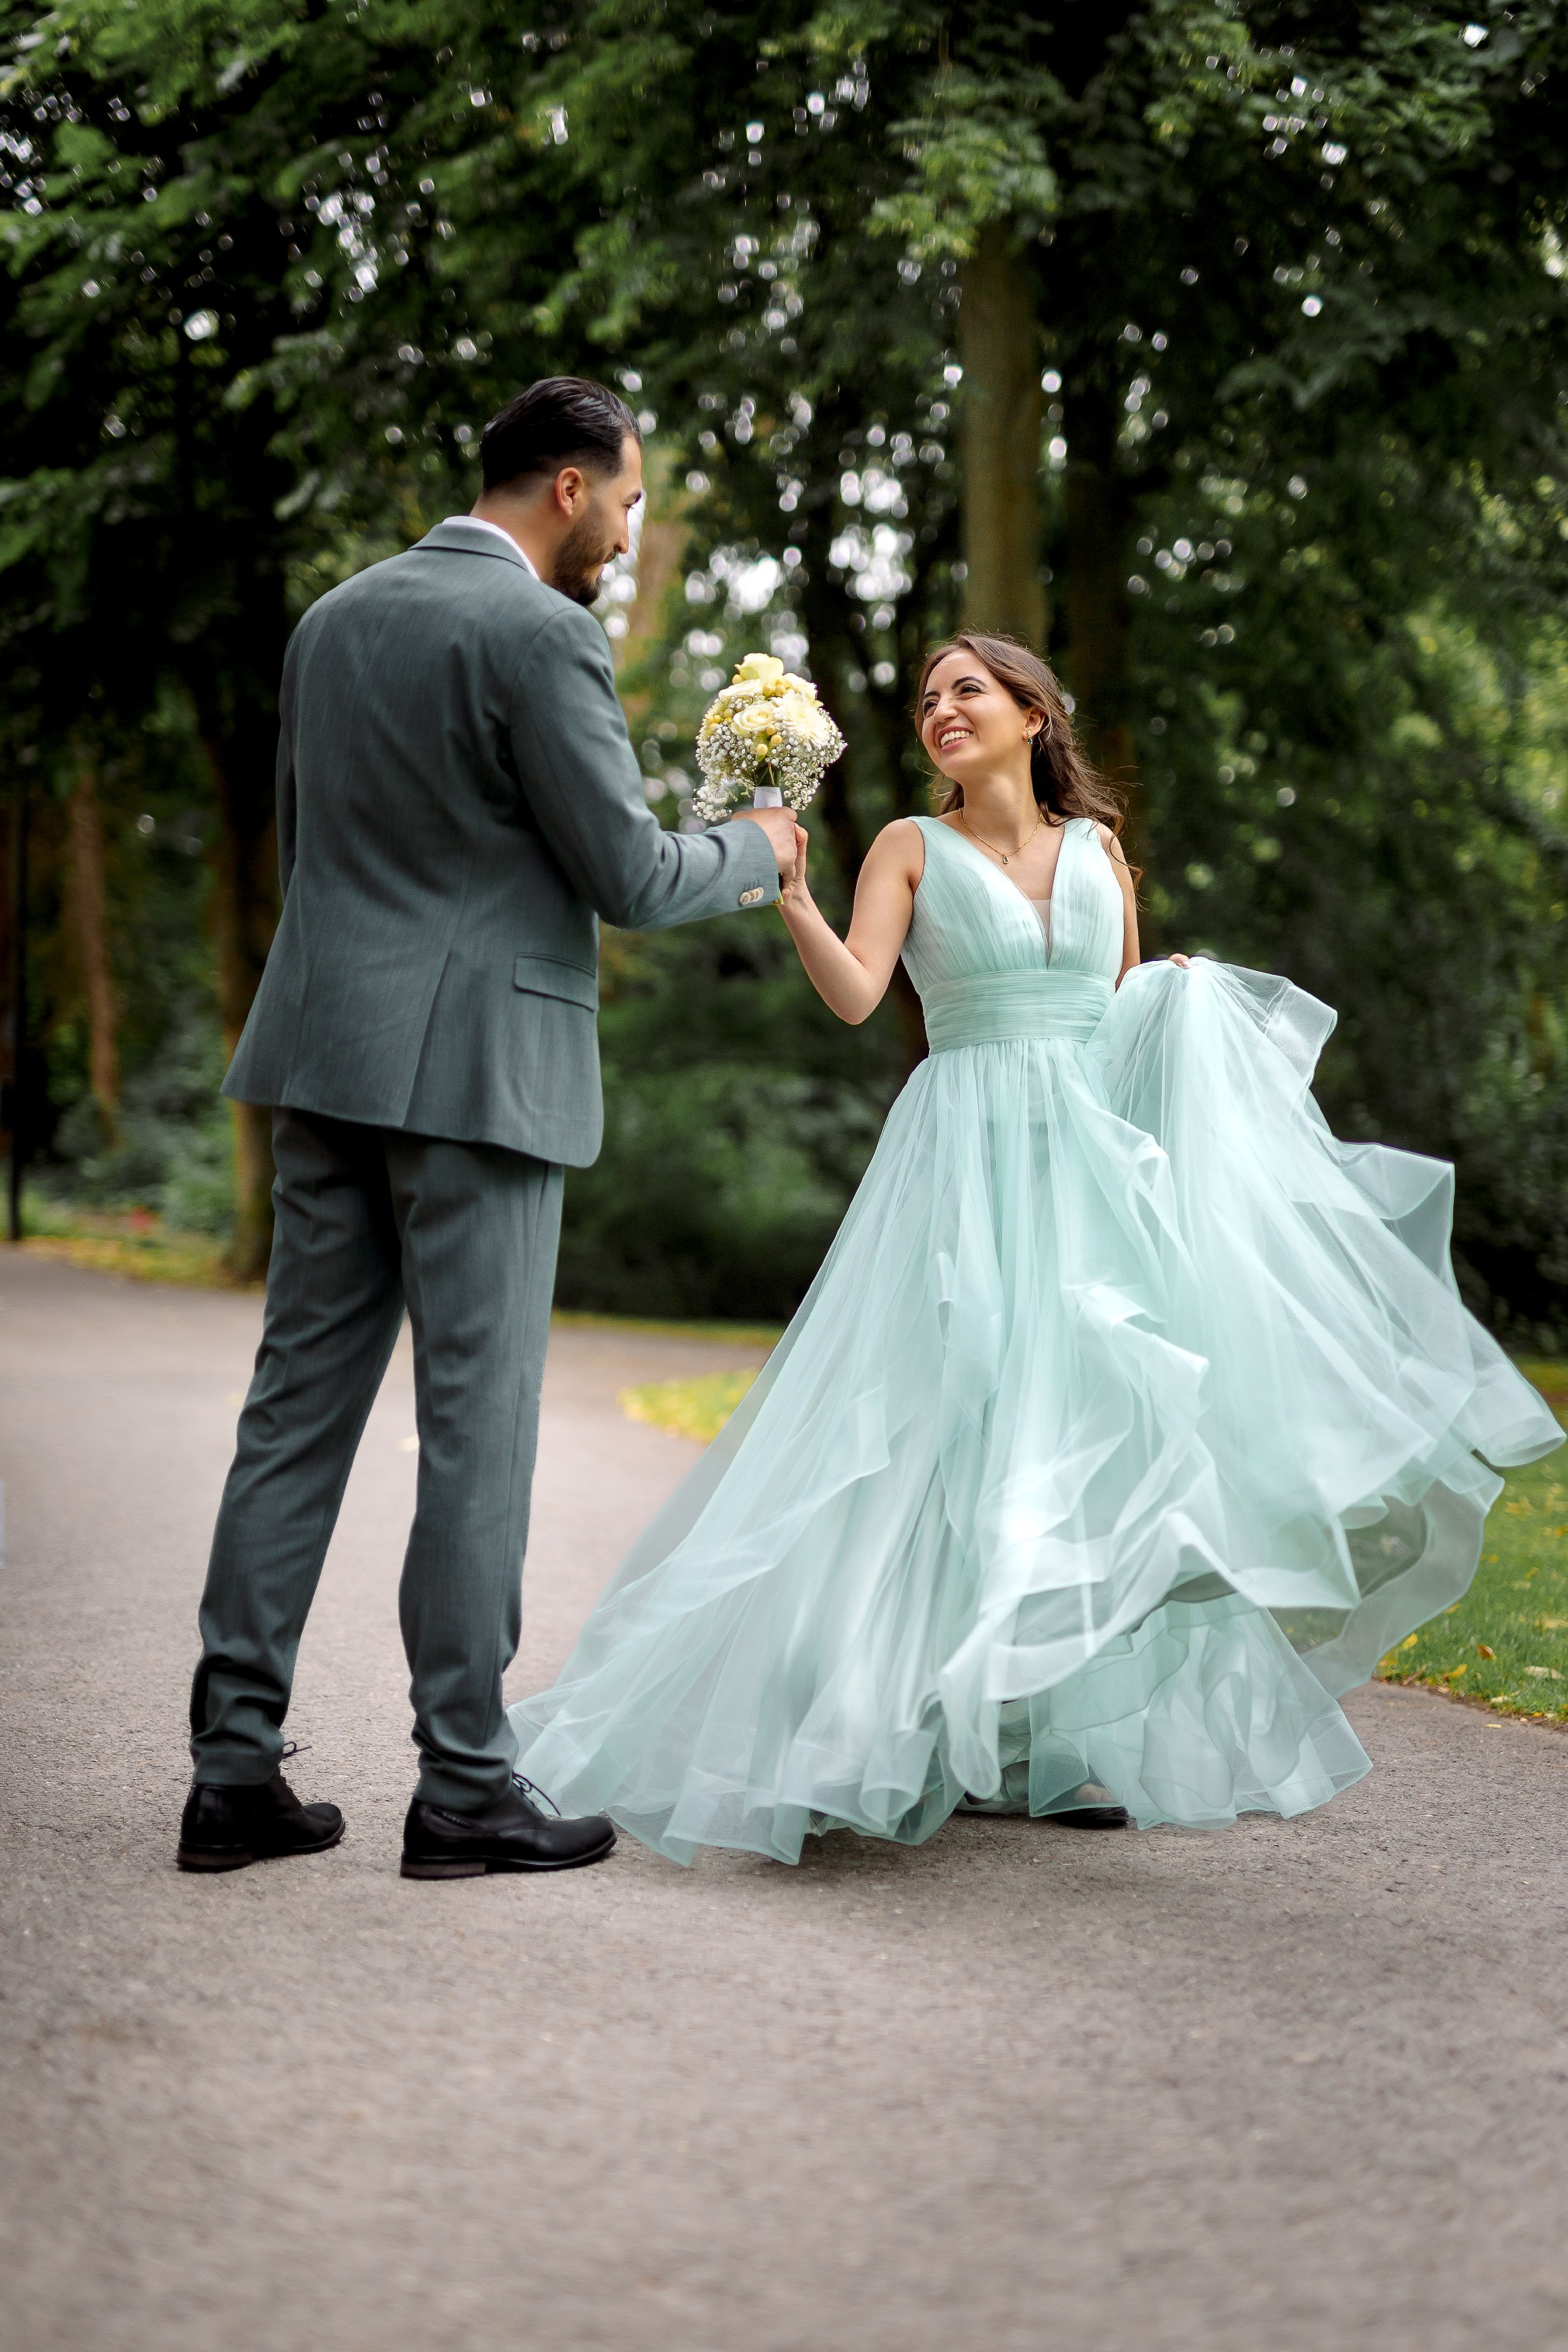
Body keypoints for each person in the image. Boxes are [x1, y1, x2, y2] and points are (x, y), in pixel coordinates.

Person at [511, 633, 1563, 1864]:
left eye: (967, 690)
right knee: (944, 1419)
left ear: (1031, 712)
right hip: (957, 1157)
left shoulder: (1099, 854)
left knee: (1075, 1435)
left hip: (1084, 1163)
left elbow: (1115, 1018)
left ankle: (1044, 1745)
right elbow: (858, 993)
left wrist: (1172, 993)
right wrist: (789, 885)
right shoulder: (911, 845)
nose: (941, 712)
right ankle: (877, 1722)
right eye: (926, 700)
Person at [178, 377, 798, 1879]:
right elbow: (630, 876)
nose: (631, 535)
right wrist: (758, 848)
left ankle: (230, 1771)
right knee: (475, 1430)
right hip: (482, 1082)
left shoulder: (332, 620)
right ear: (570, 490)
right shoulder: (539, 630)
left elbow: (313, 845)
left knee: (292, 1416)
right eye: (633, 502)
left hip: (326, 1058)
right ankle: (463, 1782)